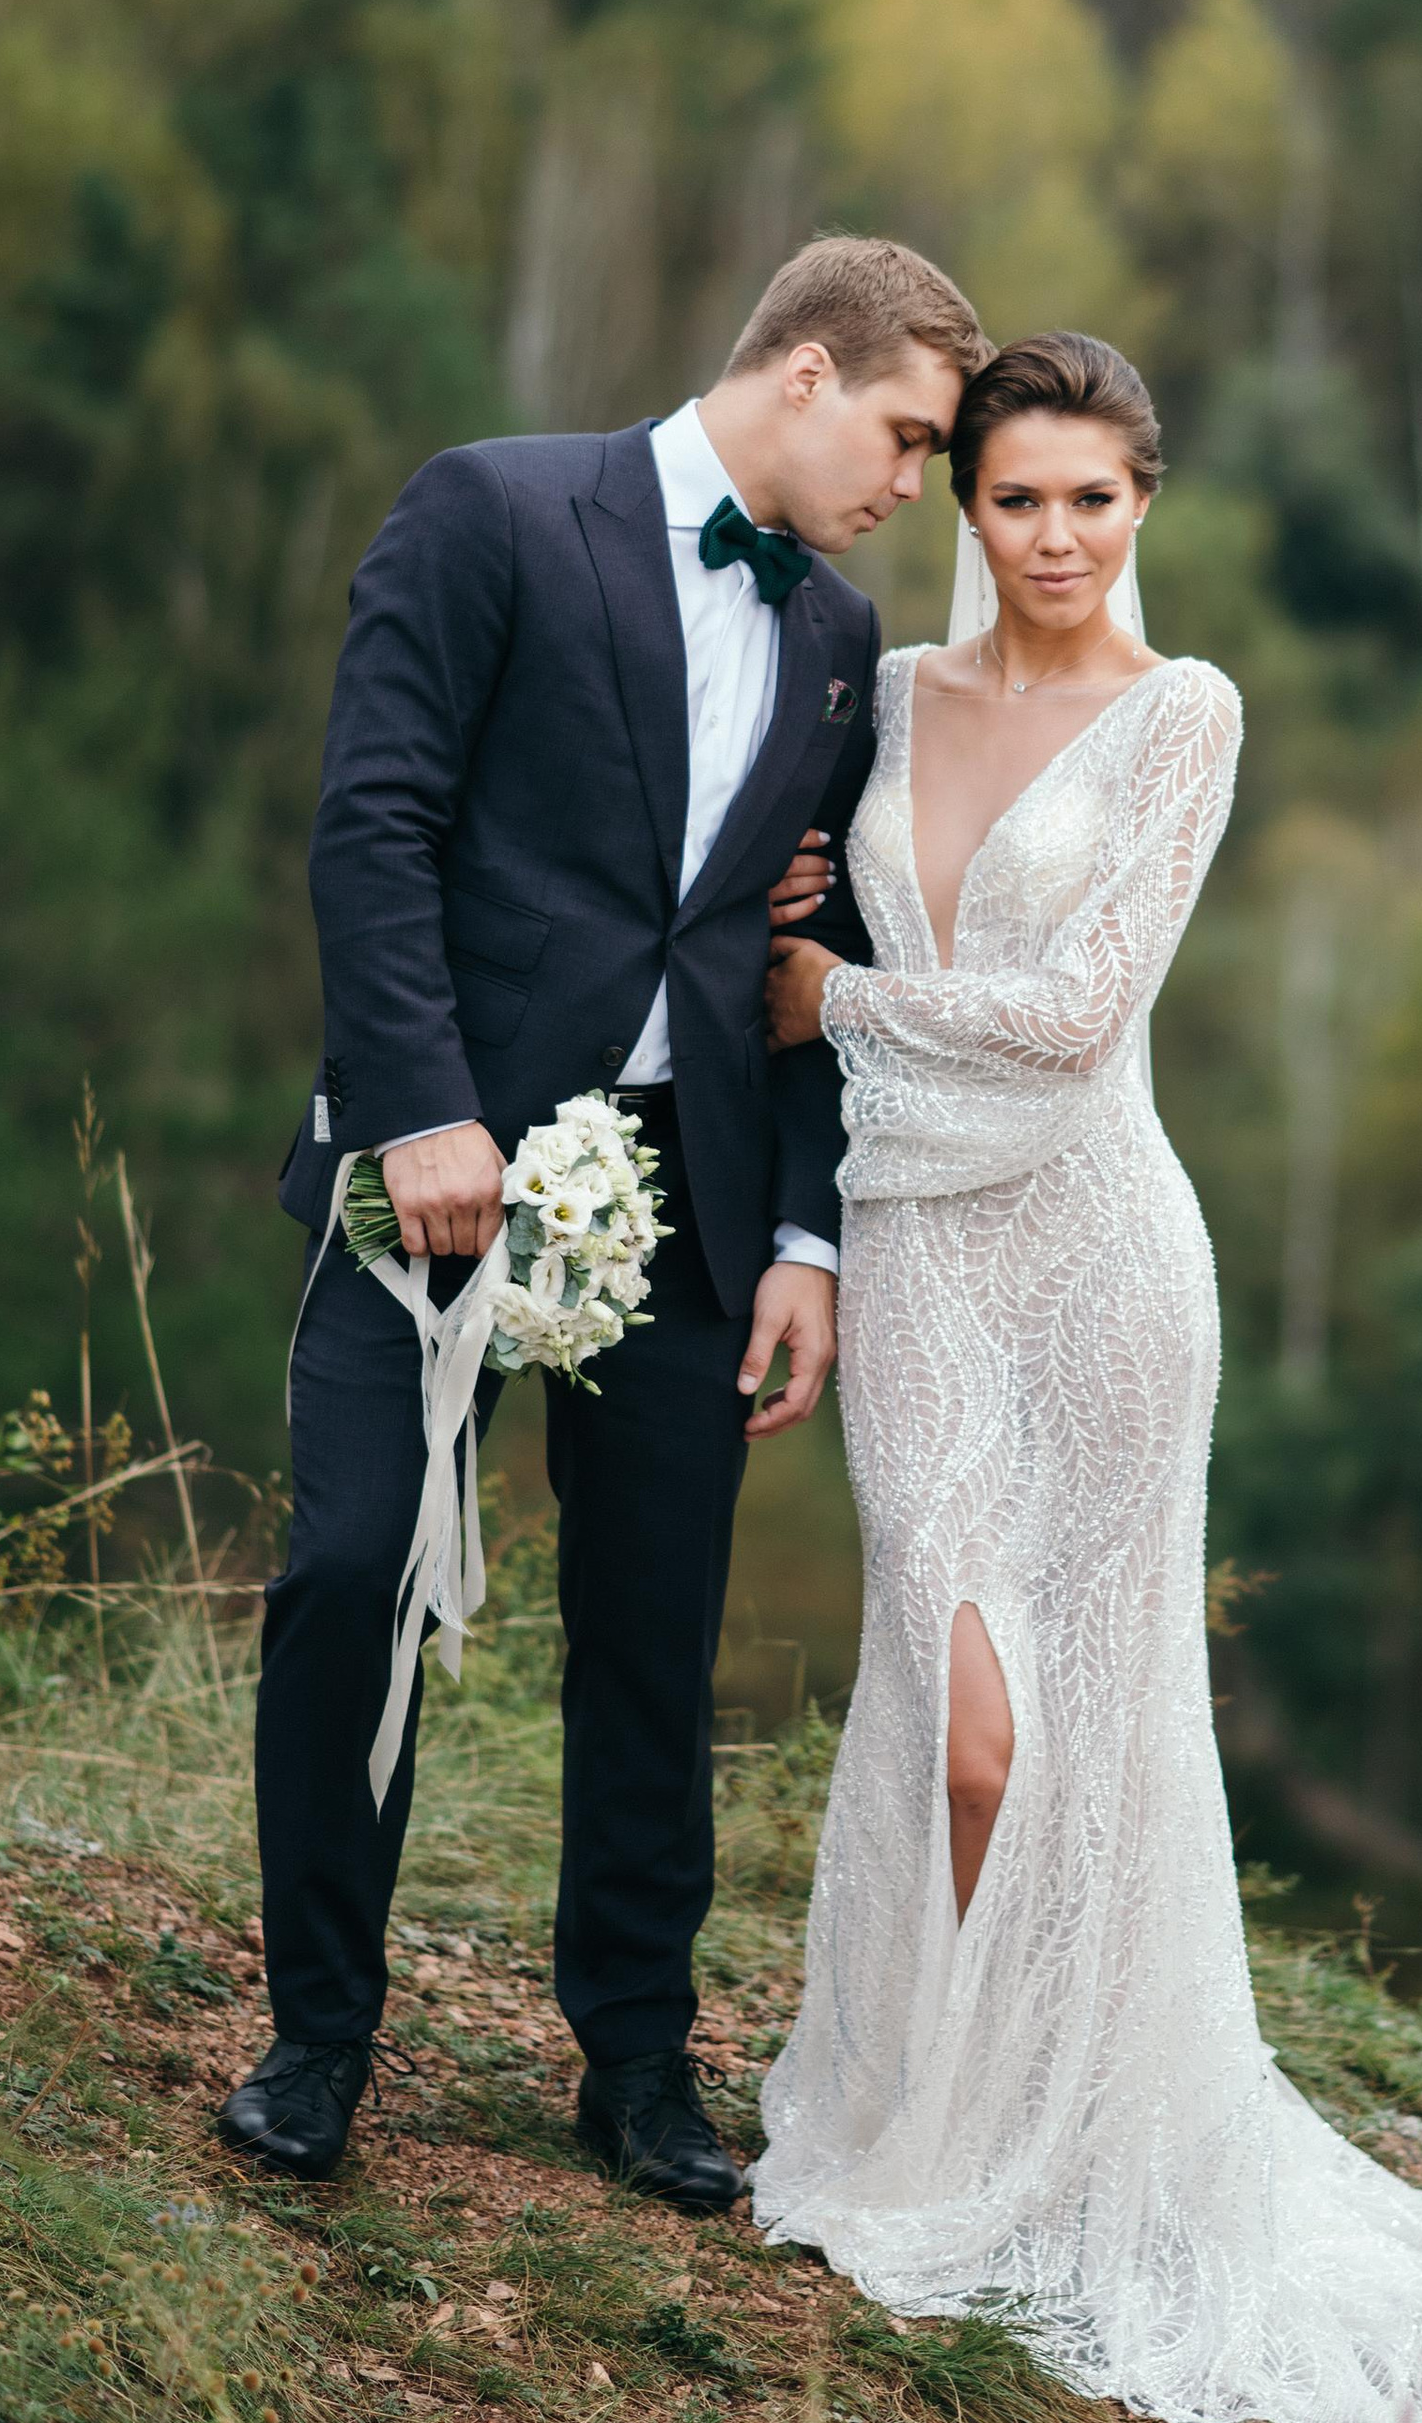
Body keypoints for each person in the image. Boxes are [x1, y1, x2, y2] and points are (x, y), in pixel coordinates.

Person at [747, 331, 1422, 2423]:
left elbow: (1072, 1013)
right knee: (959, 1711)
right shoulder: (882, 700)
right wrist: (792, 1012)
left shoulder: (1181, 715)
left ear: (1143, 505)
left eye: (1091, 500)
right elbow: (780, 912)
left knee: (1098, 1729)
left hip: (1105, 1263)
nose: (1051, 538)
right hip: (924, 1261)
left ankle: (1078, 2153)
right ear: (966, 507)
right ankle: (939, 2123)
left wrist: (836, 993)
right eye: (1013, 497)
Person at [217, 235, 991, 2196]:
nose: (914, 481)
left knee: (652, 1644)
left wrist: (807, 1236)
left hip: (685, 1204)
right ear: (804, 371)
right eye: (904, 435)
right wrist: (419, 1109)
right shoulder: (489, 507)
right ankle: (318, 2037)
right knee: (350, 1577)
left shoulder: (835, 633)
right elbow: (372, 819)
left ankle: (635, 2067)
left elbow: (803, 953)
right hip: (442, 1168)